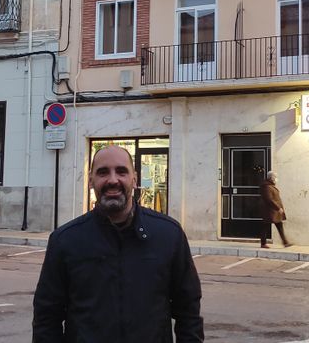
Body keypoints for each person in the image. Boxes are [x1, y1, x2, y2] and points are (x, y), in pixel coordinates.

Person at [33, 145, 204, 342]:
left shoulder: (169, 235)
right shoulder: (65, 240)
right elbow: (46, 318)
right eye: (103, 172)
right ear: (91, 181)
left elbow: (188, 311)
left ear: (134, 179)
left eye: (121, 171)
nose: (113, 180)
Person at [259, 171, 292, 248]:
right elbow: (269, 199)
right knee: (265, 226)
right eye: (275, 177)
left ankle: (285, 242)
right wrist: (278, 208)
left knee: (279, 225)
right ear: (272, 178)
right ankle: (263, 243)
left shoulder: (270, 186)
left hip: (273, 211)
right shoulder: (267, 187)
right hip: (269, 211)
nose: (276, 179)